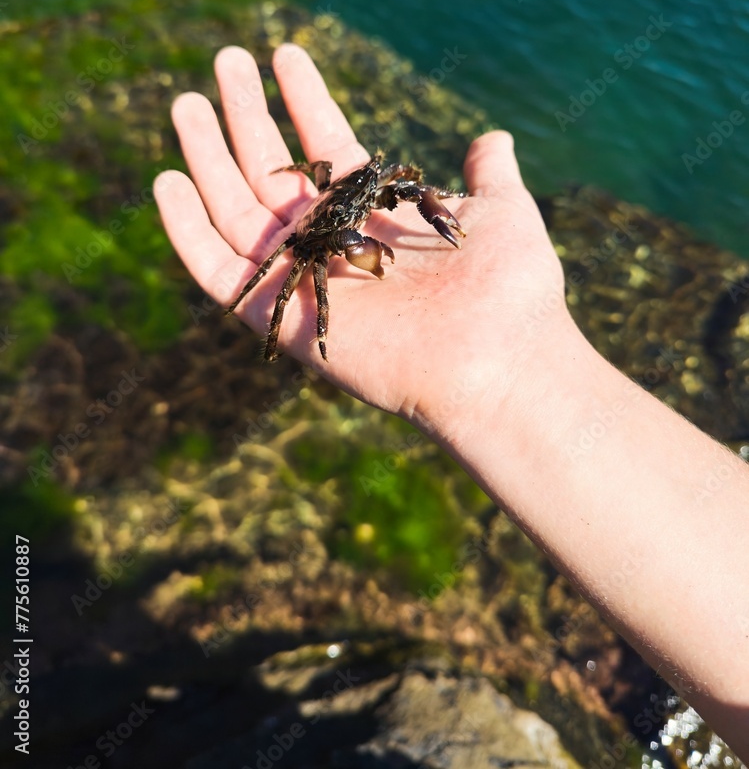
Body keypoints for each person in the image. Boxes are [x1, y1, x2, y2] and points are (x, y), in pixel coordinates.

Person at [154, 44, 749, 759]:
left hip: (343, 216)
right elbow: (299, 261)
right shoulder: (319, 233)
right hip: (313, 235)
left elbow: (389, 180)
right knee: (290, 281)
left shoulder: (374, 184)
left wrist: (410, 202)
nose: (379, 196)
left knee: (374, 188)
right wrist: (332, 274)